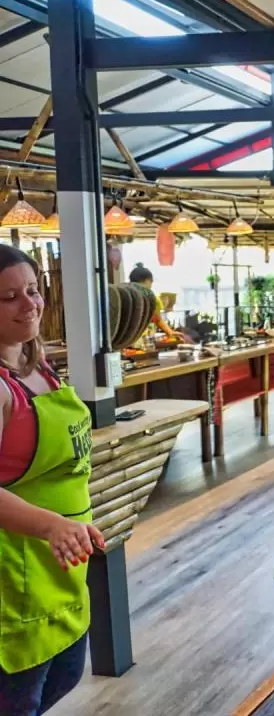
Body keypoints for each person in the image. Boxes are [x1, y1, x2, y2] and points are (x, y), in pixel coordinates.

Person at [0, 246, 104, 715]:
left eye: (33, 291)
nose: (30, 305)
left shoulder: (37, 365)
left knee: (63, 678)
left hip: (59, 569)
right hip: (15, 577)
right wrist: (51, 525)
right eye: (9, 297)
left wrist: (73, 524)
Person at [128, 263, 189, 343]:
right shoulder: (150, 298)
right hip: (137, 341)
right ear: (147, 281)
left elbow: (157, 319)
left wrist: (169, 332)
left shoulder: (128, 297)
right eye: (151, 282)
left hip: (137, 340)